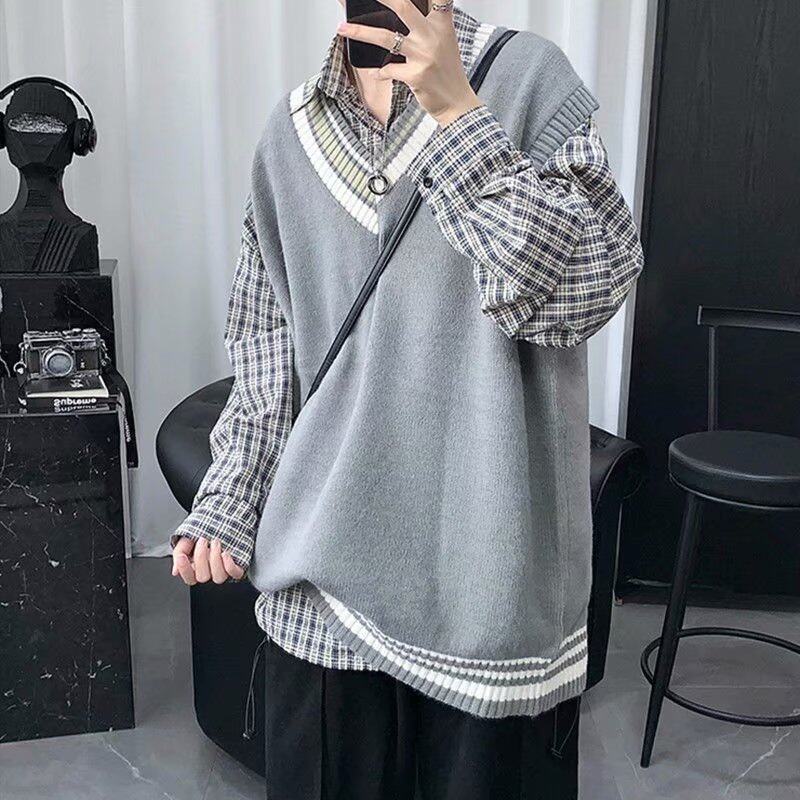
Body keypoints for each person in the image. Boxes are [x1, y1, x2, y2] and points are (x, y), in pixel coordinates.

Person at [170, 1, 644, 797]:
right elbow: (265, 346)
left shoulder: (528, 79)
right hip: (320, 583)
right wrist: (230, 500)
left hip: (487, 586)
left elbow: (587, 292)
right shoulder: (290, 135)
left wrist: (460, 118)